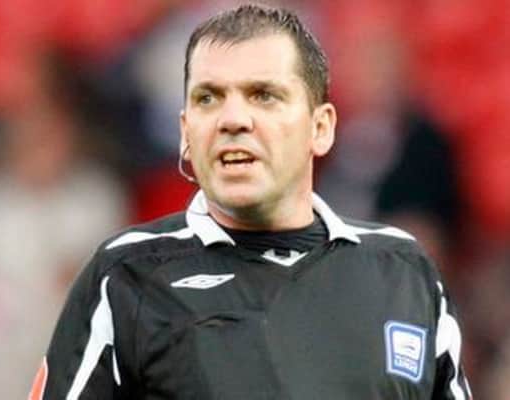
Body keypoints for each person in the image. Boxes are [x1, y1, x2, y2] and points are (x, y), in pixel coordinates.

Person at [29, 4, 472, 399]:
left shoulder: (405, 272)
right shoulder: (126, 278)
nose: (234, 119)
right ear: (185, 133)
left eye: (264, 95)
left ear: (320, 128)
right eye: (208, 98)